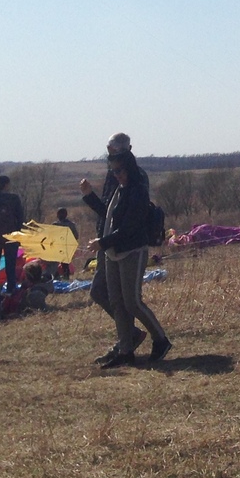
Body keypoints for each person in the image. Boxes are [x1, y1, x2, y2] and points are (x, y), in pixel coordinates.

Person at [83, 144, 171, 367]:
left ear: (129, 168)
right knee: (117, 302)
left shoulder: (138, 191)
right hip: (114, 252)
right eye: (113, 172)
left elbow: (130, 227)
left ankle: (161, 339)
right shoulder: (120, 190)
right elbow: (109, 216)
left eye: (120, 171)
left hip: (133, 250)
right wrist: (89, 197)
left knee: (132, 302)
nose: (117, 175)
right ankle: (125, 350)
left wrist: (102, 242)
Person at [82, 134, 146, 356]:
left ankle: (130, 342)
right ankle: (128, 337)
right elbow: (108, 214)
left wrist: (107, 240)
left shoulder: (136, 177)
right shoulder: (113, 175)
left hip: (122, 245)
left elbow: (127, 220)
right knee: (101, 293)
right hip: (106, 241)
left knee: (125, 300)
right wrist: (90, 197)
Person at [52, 207, 80, 278]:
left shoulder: (55, 225)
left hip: (59, 246)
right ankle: (64, 276)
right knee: (64, 263)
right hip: (64, 246)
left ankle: (58, 276)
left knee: (57, 263)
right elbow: (76, 236)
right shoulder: (71, 224)